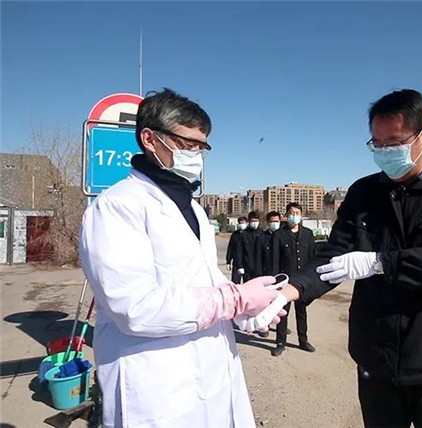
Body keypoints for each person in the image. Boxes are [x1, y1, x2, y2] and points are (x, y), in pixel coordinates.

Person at [257, 89, 422, 427]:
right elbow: (333, 255)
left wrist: (381, 262)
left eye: (394, 143)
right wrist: (289, 290)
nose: (385, 152)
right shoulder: (364, 193)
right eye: (377, 144)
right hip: (377, 360)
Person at [79, 88, 283, 428]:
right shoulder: (116, 208)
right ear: (150, 139)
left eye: (203, 147)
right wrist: (234, 300)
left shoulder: (194, 209)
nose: (197, 155)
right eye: (188, 144)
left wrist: (245, 313)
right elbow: (135, 308)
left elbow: (206, 280)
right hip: (157, 382)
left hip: (213, 371)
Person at [270, 203, 317, 357]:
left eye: (297, 213)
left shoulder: (308, 234)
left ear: (301, 216)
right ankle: (280, 342)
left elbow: (312, 257)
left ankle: (303, 340)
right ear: (286, 215)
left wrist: (312, 278)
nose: (294, 216)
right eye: (291, 213)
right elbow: (275, 260)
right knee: (282, 312)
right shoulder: (279, 235)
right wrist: (276, 282)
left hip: (303, 280)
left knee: (301, 311)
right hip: (286, 281)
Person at [239, 211, 262, 281]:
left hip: (260, 268)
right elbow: (239, 251)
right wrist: (240, 266)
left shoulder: (262, 233)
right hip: (247, 268)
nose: (254, 223)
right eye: (252, 221)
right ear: (249, 221)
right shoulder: (244, 234)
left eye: (256, 221)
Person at [226, 216, 247, 283]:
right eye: (240, 223)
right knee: (235, 282)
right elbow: (230, 248)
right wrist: (228, 261)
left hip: (247, 262)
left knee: (247, 283)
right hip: (236, 262)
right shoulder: (235, 235)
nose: (241, 224)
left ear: (246, 223)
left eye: (243, 222)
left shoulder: (249, 234)